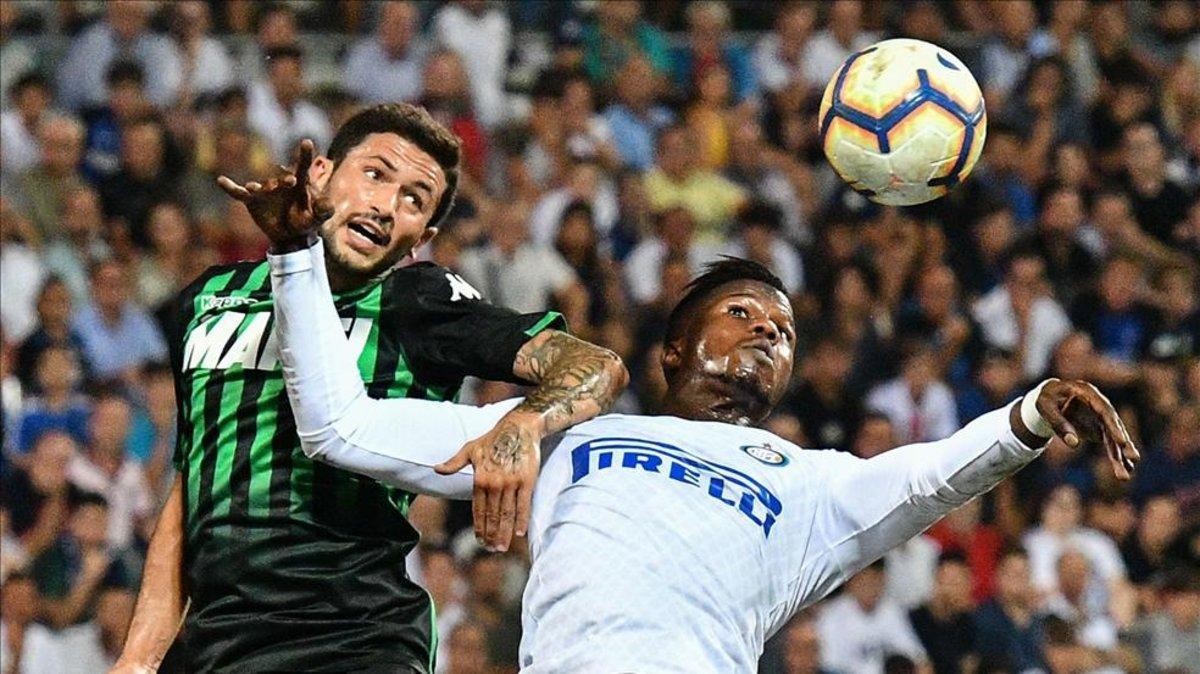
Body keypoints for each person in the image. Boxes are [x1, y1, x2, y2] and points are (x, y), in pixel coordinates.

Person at [268, 228, 1138, 672]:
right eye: (743, 313)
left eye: (783, 331)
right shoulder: (567, 433)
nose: (767, 331)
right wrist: (295, 256)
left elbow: (931, 476)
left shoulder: (811, 481)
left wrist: (1030, 412)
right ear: (675, 350)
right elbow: (340, 426)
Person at [111, 104, 626, 674]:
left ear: (421, 238)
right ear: (321, 174)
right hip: (217, 644)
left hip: (357, 638)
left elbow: (596, 365)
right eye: (375, 175)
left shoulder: (421, 303)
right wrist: (138, 659)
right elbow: (189, 489)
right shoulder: (210, 300)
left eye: (414, 200)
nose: (385, 206)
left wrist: (523, 423)